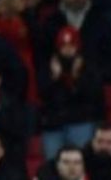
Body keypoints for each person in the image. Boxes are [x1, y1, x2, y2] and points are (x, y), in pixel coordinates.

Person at [39, 26, 104, 160]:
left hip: (80, 121)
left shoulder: (88, 67)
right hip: (54, 124)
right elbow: (43, 94)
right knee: (53, 162)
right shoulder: (49, 67)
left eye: (71, 45)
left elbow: (93, 95)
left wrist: (76, 77)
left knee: (80, 159)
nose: (67, 50)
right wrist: (55, 78)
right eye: (64, 46)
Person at [40, 0, 111, 79]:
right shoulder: (51, 22)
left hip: (92, 81)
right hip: (57, 80)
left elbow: (110, 56)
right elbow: (43, 55)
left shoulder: (101, 22)